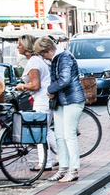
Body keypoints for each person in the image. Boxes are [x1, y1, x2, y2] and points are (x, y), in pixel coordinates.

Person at [34, 36, 85, 183]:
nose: (44, 58)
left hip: (72, 99)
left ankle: (73, 169)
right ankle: (63, 168)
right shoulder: (58, 58)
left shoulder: (64, 57)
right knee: (60, 136)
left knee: (68, 135)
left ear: (50, 49)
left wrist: (50, 89)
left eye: (44, 55)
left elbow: (65, 79)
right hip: (62, 100)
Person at [15, 34, 57, 172]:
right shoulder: (38, 60)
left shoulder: (33, 62)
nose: (17, 47)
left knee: (40, 131)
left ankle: (45, 162)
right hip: (46, 99)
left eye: (20, 44)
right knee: (47, 130)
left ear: (26, 47)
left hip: (42, 100)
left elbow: (35, 85)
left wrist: (21, 86)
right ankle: (61, 158)